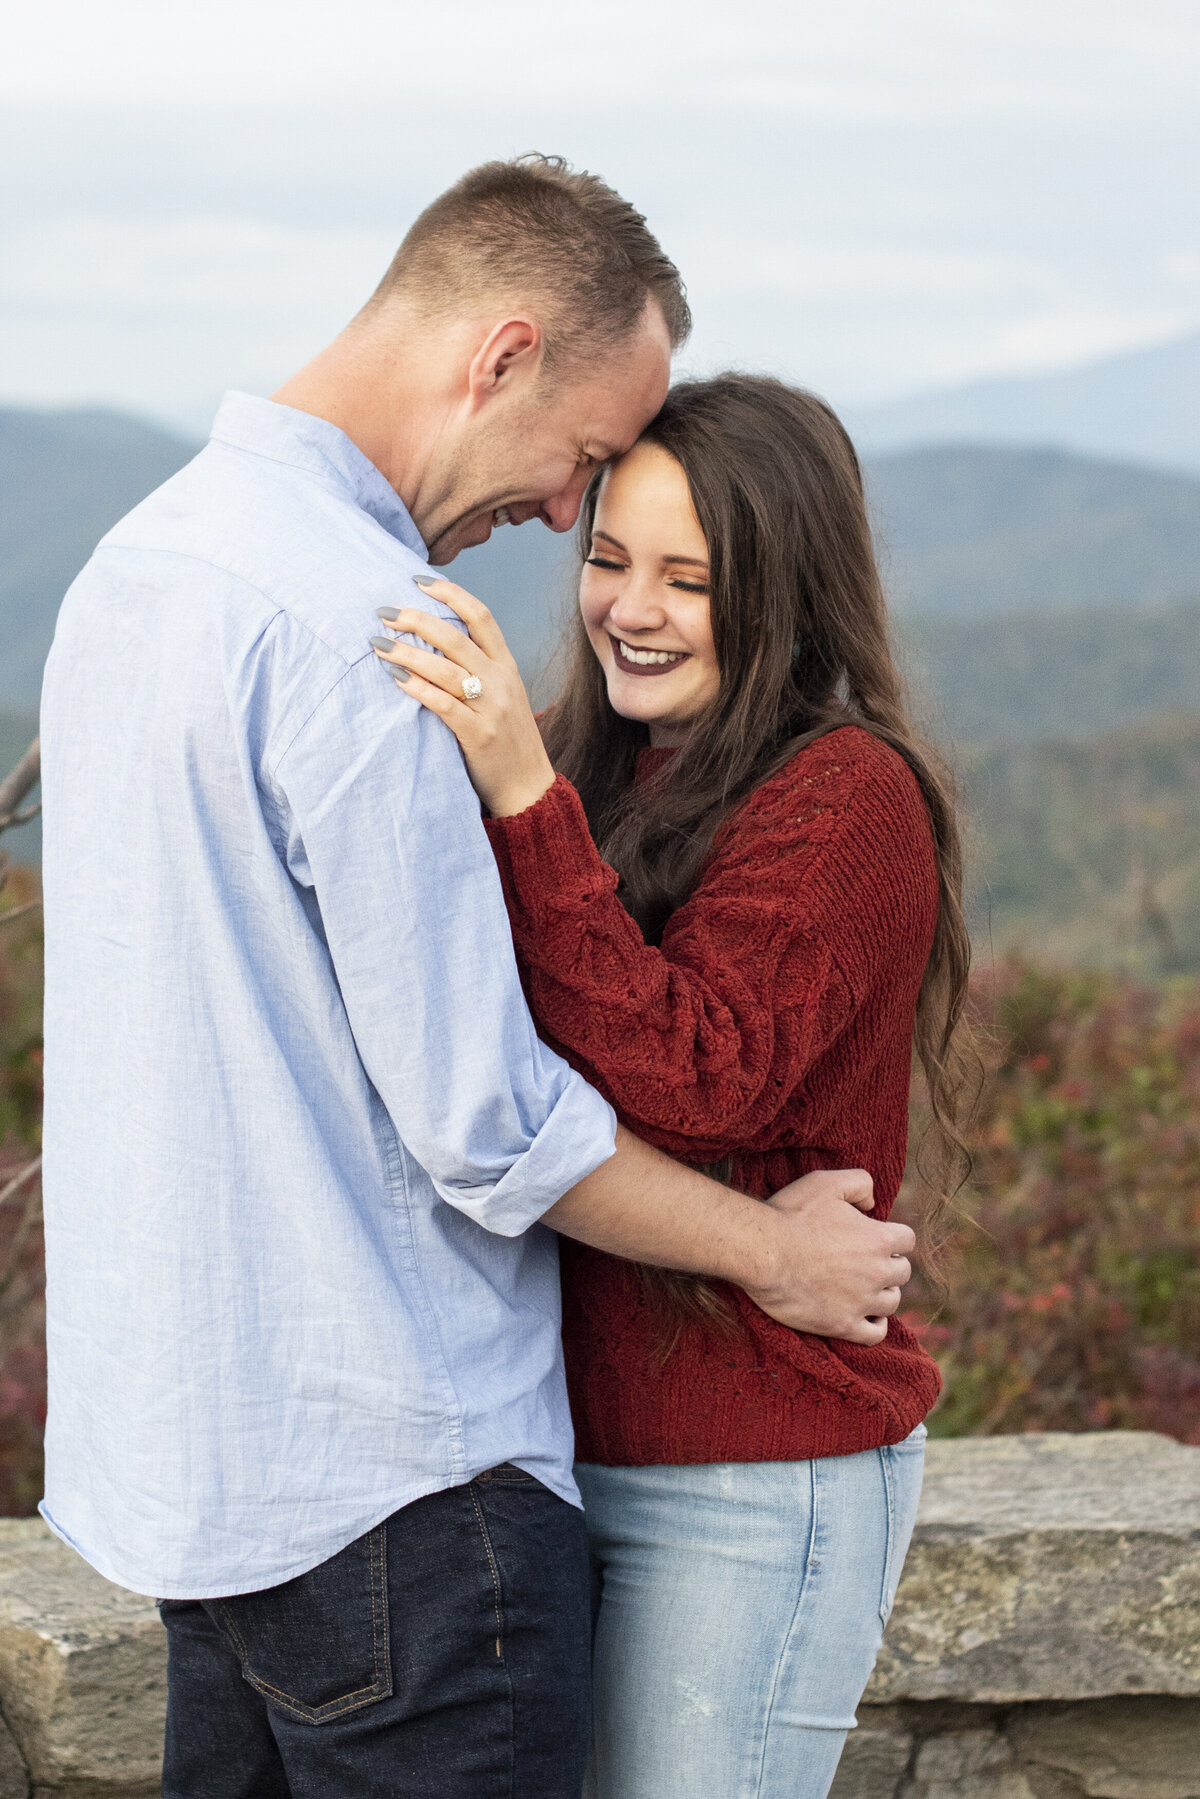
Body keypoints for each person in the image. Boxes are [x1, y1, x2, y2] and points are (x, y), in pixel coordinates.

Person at [39, 162, 915, 1799]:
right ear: (502, 354)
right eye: (584, 468)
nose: (554, 519)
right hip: (398, 1484)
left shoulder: (136, 570)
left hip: (201, 1480)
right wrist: (767, 1252)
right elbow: (485, 1119)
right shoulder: (374, 636)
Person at [371, 372, 972, 1799]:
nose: (630, 608)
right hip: (557, 1453)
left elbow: (700, 1079)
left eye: (690, 579)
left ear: (788, 590)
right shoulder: (612, 771)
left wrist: (522, 797)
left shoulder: (846, 798)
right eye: (609, 559)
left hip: (757, 1473)